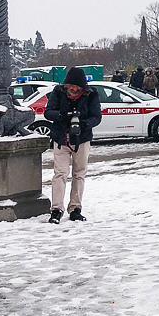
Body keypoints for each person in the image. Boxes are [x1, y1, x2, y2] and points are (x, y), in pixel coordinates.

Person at [45, 67, 102, 224]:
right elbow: (47, 112)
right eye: (72, 86)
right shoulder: (58, 92)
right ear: (66, 84)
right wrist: (61, 116)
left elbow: (97, 117)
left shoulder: (91, 95)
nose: (74, 89)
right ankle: (56, 209)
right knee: (60, 174)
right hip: (61, 138)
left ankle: (75, 208)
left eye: (78, 87)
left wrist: (83, 123)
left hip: (82, 139)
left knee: (79, 174)